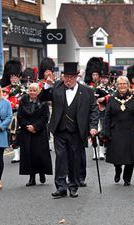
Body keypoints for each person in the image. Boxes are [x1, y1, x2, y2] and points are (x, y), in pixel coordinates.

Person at [39, 62, 99, 198]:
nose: (68, 80)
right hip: (59, 130)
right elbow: (41, 98)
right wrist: (47, 85)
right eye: (66, 77)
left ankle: (73, 186)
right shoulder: (56, 87)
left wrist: (93, 126)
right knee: (61, 158)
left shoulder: (87, 91)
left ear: (77, 77)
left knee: (74, 159)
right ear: (63, 76)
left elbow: (94, 110)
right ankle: (61, 187)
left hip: (77, 131)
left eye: (71, 77)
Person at [105, 76, 134, 186]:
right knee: (117, 157)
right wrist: (106, 131)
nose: (122, 86)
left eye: (124, 83)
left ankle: (127, 178)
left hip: (131, 131)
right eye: (120, 84)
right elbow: (107, 116)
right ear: (117, 86)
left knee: (130, 158)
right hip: (115, 131)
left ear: (128, 85)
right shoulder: (112, 99)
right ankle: (118, 170)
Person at [17, 83, 52, 186]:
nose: (32, 92)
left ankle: (42, 172)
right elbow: (20, 116)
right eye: (30, 90)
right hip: (27, 131)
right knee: (29, 155)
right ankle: (32, 177)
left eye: (34, 90)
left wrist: (35, 127)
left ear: (38, 91)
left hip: (39, 132)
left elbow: (45, 117)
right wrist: (27, 126)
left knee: (40, 155)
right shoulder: (23, 100)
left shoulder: (44, 101)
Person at [1, 59, 24, 163]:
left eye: (15, 76)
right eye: (12, 76)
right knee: (13, 135)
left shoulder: (24, 89)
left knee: (23, 134)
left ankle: (23, 153)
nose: (14, 78)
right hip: (12, 114)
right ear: (9, 77)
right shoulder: (5, 90)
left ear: (19, 77)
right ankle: (16, 155)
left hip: (23, 114)